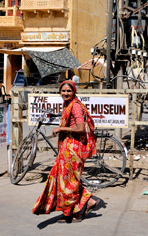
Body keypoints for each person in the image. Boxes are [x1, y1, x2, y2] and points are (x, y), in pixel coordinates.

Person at [32, 80, 99, 223]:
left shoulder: (75, 106)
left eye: (69, 91)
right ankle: (85, 202)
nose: (65, 93)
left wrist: (61, 128)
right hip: (68, 146)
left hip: (74, 148)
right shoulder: (68, 104)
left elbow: (80, 127)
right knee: (65, 179)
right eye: (63, 91)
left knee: (69, 181)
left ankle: (75, 212)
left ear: (74, 92)